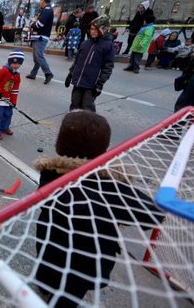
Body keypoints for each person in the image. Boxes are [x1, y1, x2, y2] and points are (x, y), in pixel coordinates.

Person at [33, 110, 164, 308]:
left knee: (48, 271)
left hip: (52, 243)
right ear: (103, 150)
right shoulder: (113, 188)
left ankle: (45, 288)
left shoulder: (50, 174)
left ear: (59, 145)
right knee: (68, 295)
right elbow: (152, 216)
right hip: (88, 261)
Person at [65, 15, 115, 112]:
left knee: (87, 106)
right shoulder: (85, 43)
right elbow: (77, 61)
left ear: (103, 29)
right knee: (75, 103)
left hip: (91, 84)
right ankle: (74, 124)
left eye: (95, 29)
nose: (92, 31)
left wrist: (100, 84)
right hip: (78, 81)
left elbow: (107, 67)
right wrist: (70, 74)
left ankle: (88, 125)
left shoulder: (108, 46)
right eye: (91, 29)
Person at [0, 49, 24, 140]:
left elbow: (15, 89)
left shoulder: (17, 74)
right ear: (10, 62)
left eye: (19, 64)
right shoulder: (3, 71)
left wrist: (13, 100)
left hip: (8, 99)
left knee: (8, 114)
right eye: (14, 63)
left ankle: (5, 128)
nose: (16, 65)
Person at [26, 0, 54, 84]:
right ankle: (33, 74)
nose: (39, 2)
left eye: (40, 0)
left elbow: (40, 24)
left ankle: (48, 73)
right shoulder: (45, 10)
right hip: (38, 37)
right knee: (36, 58)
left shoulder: (47, 10)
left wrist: (32, 24)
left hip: (41, 37)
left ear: (43, 0)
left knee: (39, 56)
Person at [173, 43, 194, 112]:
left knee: (186, 101)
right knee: (191, 101)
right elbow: (188, 55)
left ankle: (181, 119)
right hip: (193, 73)